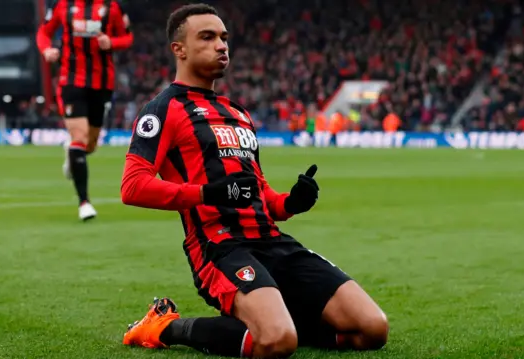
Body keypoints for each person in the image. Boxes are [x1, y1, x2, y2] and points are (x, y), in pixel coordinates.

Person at [119, 4, 388, 358]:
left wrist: (291, 202)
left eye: (224, 38)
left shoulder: (237, 113)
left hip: (272, 241)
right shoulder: (162, 109)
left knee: (372, 329)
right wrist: (208, 193)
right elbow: (132, 186)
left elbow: (259, 194)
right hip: (220, 246)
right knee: (276, 342)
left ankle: (277, 320)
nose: (221, 45)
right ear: (178, 49)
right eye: (208, 36)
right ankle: (163, 326)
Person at [36, 0, 133, 221]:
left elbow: (128, 37)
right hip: (71, 81)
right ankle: (84, 202)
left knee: (89, 145)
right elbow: (44, 32)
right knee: (79, 138)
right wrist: (46, 50)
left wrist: (113, 42)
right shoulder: (63, 5)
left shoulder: (113, 7)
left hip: (102, 83)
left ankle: (72, 153)